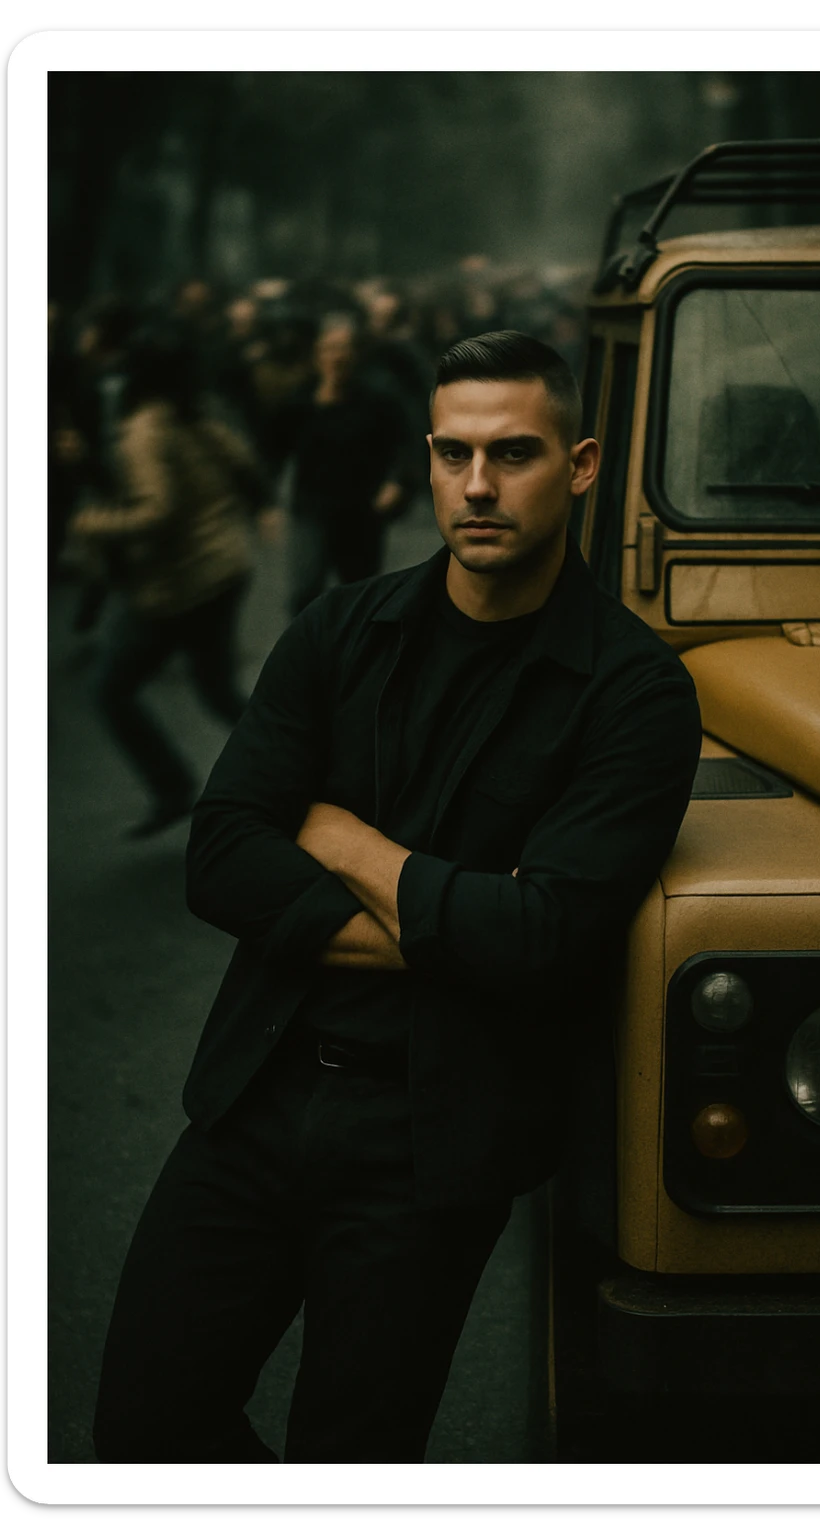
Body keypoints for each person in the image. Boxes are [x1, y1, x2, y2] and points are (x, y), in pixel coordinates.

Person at [92, 330, 703, 1463]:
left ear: (577, 465)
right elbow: (221, 854)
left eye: (513, 454)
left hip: (433, 1140)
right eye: (453, 453)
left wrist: (344, 841)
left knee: (354, 1457)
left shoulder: (635, 694)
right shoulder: (337, 632)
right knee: (141, 1424)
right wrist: (452, 919)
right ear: (426, 456)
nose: (477, 486)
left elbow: (545, 941)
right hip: (256, 1097)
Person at [69, 323, 277, 837]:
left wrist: (88, 524)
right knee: (215, 687)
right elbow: (243, 461)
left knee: (112, 689)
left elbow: (156, 508)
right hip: (224, 567)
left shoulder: (144, 429)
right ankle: (312, 767)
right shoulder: (196, 413)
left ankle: (171, 786)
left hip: (177, 583)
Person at [282, 311, 416, 616]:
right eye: (329, 348)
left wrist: (397, 482)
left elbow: (404, 443)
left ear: (355, 354)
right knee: (305, 589)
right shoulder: (301, 400)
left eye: (343, 348)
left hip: (361, 508)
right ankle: (308, 652)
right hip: (312, 507)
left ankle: (356, 653)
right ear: (317, 355)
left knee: (360, 591)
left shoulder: (377, 397)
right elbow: (276, 445)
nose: (336, 357)